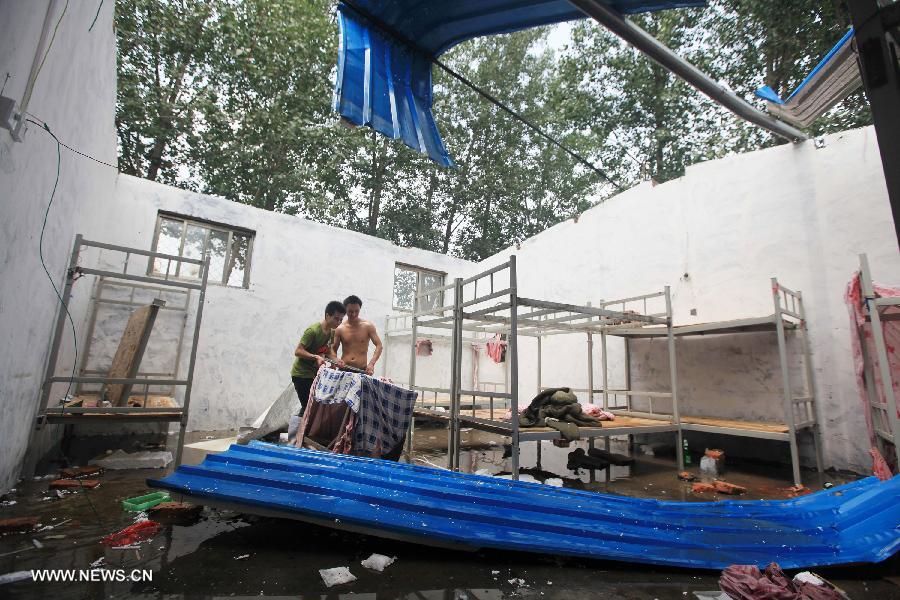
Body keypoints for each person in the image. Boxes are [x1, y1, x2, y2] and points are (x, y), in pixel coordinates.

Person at [290, 300, 346, 413]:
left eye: (341, 319)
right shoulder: (313, 331)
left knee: (313, 407)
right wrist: (315, 357)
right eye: (336, 318)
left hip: (314, 374)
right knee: (308, 408)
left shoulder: (331, 332)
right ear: (327, 315)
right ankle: (298, 429)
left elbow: (328, 351)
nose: (339, 322)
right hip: (301, 374)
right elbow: (298, 351)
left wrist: (336, 360)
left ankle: (302, 429)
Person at [332, 295, 383, 375]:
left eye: (357, 311)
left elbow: (379, 345)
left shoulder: (368, 326)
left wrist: (371, 364)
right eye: (350, 311)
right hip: (344, 369)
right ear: (345, 310)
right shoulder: (340, 329)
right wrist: (334, 361)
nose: (354, 314)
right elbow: (333, 349)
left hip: (362, 370)